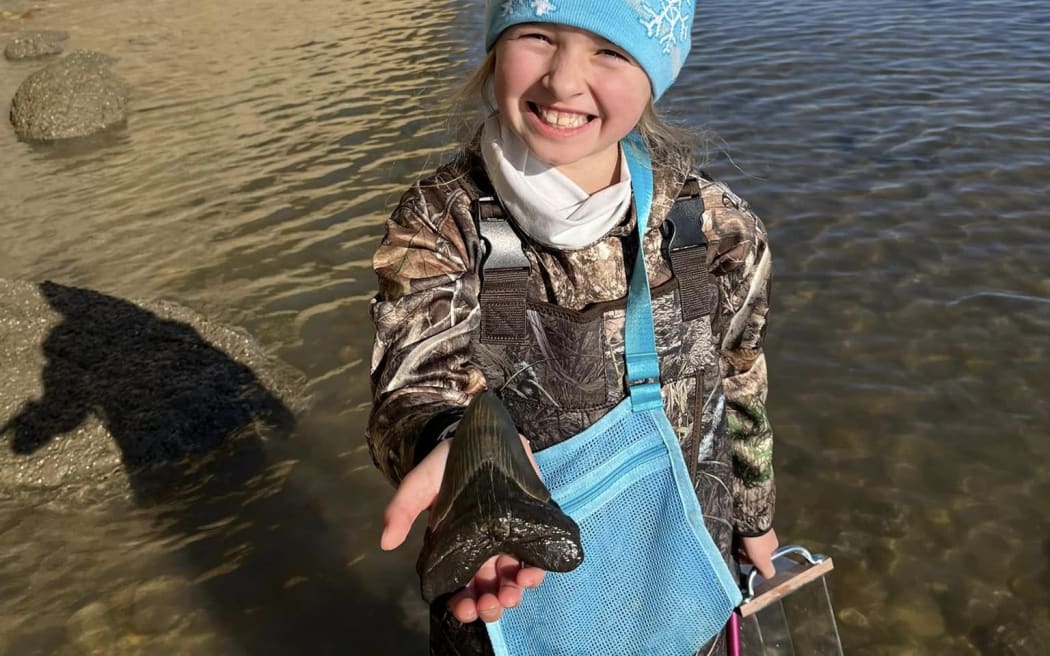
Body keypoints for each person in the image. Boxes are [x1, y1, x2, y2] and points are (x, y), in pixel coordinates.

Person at [368, 1, 778, 653]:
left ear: (655, 72)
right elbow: (411, 389)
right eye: (537, 35)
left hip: (682, 558)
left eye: (610, 51)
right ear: (495, 47)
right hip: (502, 571)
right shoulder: (440, 224)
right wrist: (471, 458)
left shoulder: (716, 229)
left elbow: (739, 375)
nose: (563, 80)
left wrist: (756, 519)